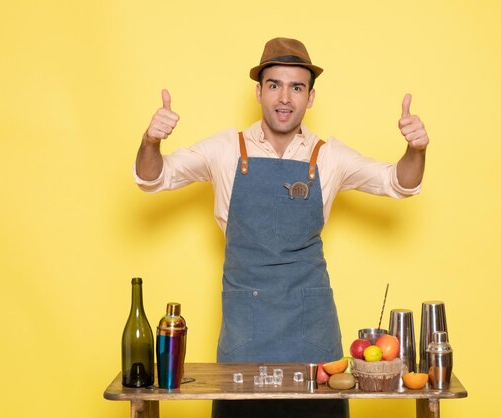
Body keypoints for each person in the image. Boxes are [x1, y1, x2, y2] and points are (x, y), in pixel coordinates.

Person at [134, 37, 429, 418]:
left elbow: (398, 183)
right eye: (274, 85)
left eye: (296, 87)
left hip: (312, 328)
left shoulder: (329, 155)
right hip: (246, 329)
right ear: (258, 92)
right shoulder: (226, 148)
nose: (285, 97)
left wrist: (416, 150)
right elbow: (152, 178)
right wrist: (151, 140)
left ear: (310, 97)